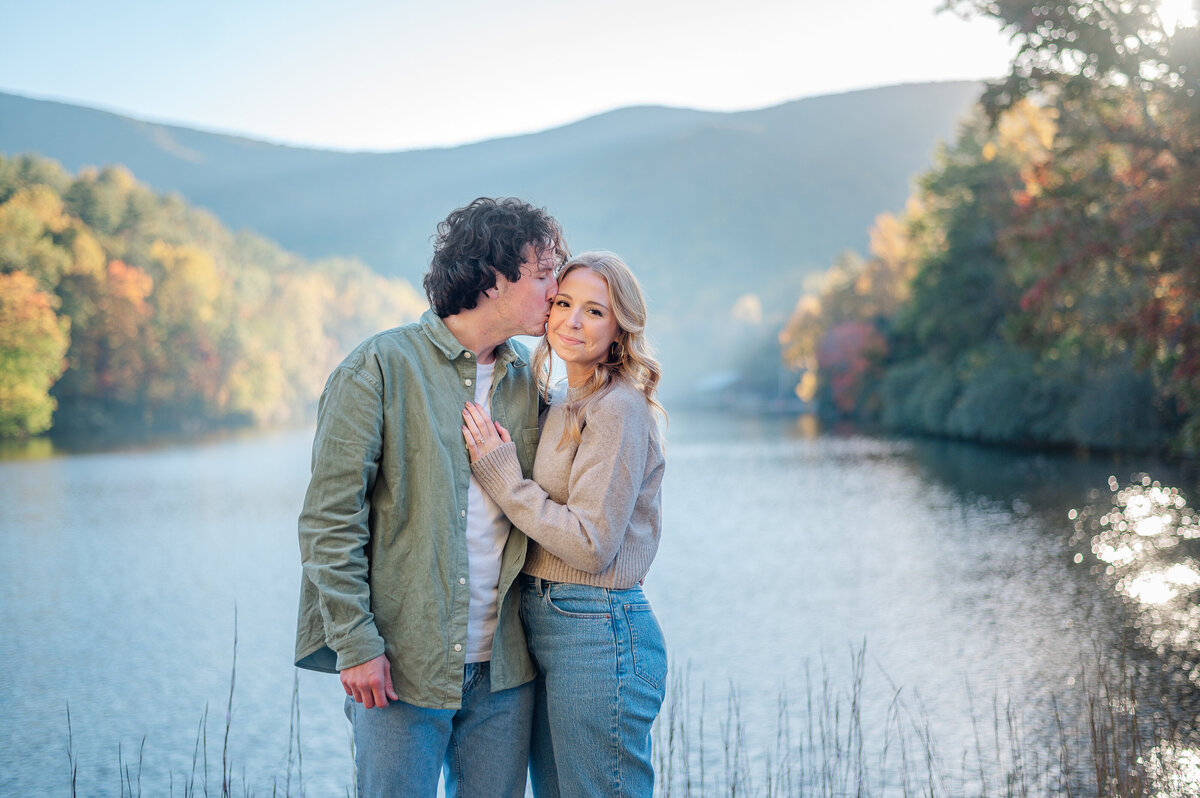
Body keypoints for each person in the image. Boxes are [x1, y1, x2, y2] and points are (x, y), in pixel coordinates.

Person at [294, 197, 567, 797]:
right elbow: (328, 522)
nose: (556, 289)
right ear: (495, 280)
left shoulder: (533, 381)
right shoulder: (378, 368)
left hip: (505, 674)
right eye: (544, 273)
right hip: (398, 668)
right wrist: (356, 644)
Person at [461, 250, 668, 797]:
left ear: (620, 329)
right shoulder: (559, 402)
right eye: (563, 303)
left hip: (598, 630)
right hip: (547, 623)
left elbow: (592, 543)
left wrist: (505, 481)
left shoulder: (617, 408)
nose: (572, 322)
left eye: (594, 311)